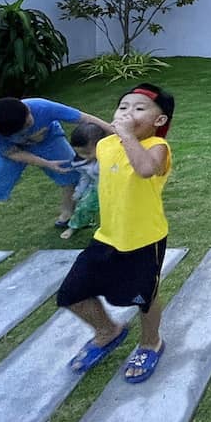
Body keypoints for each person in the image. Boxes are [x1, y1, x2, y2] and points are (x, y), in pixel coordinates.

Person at [55, 83, 174, 385]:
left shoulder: (157, 147)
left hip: (145, 239)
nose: (128, 113)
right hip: (107, 235)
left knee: (144, 298)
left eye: (139, 108)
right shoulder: (105, 146)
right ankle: (108, 331)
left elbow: (145, 170)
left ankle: (151, 343)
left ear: (159, 121)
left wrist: (129, 136)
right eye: (123, 107)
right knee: (71, 294)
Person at [0, 95, 112, 271]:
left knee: (70, 173)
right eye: (26, 123)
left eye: (29, 115)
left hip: (48, 140)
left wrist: (117, 133)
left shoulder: (41, 106)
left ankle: (67, 214)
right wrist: (46, 163)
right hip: (6, 153)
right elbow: (13, 153)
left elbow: (85, 118)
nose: (31, 118)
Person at [60, 122, 104, 240]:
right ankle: (74, 226)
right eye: (80, 153)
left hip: (116, 187)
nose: (84, 156)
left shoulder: (110, 156)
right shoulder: (80, 162)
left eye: (87, 152)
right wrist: (79, 192)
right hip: (96, 188)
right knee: (83, 207)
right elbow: (85, 177)